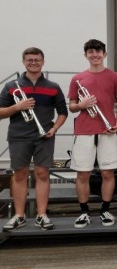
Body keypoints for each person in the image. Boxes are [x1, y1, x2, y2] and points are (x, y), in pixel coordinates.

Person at [1, 47, 68, 231]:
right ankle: (19, 215)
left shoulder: (53, 87)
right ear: (24, 62)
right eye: (29, 60)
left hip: (44, 136)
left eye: (37, 60)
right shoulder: (11, 86)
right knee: (20, 175)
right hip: (18, 136)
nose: (33, 63)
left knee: (42, 174)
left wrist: (54, 128)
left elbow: (63, 112)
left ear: (43, 62)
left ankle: (41, 215)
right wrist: (18, 107)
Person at [67, 39, 117, 228]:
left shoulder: (115, 77)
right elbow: (72, 107)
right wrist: (82, 105)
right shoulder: (77, 78)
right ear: (86, 55)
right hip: (84, 131)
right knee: (82, 174)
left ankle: (105, 209)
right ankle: (84, 212)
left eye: (98, 51)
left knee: (108, 172)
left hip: (107, 131)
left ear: (105, 54)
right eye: (91, 52)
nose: (95, 55)